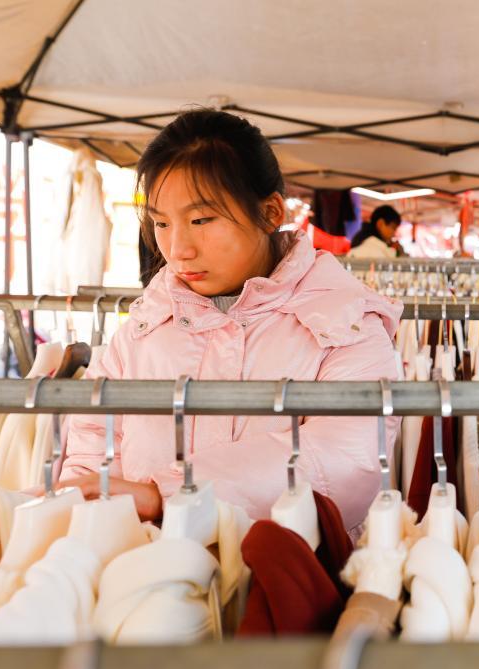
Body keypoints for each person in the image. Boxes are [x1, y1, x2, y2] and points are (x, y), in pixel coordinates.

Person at [55, 109, 402, 533]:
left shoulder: (344, 324)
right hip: (142, 564)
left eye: (201, 220)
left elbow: (347, 465)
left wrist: (168, 497)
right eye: (161, 223)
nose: (177, 249)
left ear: (271, 212)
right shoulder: (144, 326)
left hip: (283, 571)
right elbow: (91, 448)